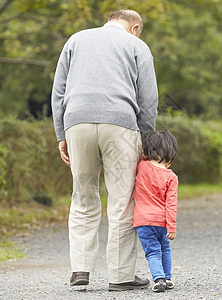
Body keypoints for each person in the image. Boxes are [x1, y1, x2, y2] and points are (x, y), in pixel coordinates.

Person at [51, 9, 159, 291]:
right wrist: (146, 139)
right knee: (122, 200)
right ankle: (122, 276)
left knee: (83, 195)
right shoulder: (137, 45)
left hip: (77, 122)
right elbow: (148, 98)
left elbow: (58, 91)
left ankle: (81, 268)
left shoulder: (76, 39)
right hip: (121, 124)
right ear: (134, 27)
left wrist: (61, 133)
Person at [133, 130, 179, 293]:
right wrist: (171, 227)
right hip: (162, 222)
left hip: (143, 221)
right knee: (165, 249)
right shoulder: (171, 177)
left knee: (152, 251)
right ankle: (167, 278)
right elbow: (171, 204)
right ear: (170, 156)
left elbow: (145, 158)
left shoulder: (141, 166)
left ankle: (158, 279)